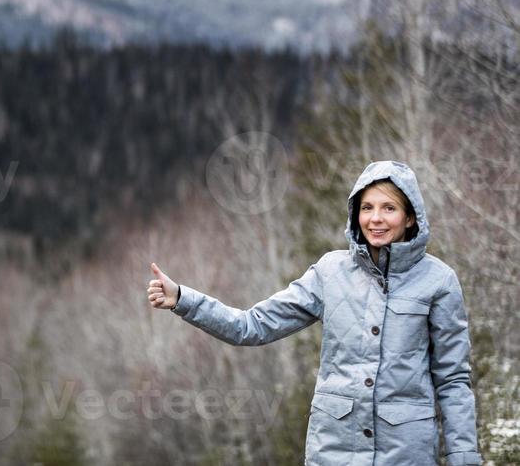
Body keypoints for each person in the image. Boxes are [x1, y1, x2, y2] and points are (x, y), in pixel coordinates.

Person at [147, 159, 481, 464]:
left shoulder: (439, 281)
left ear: (410, 217)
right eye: (367, 208)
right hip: (333, 451)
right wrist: (183, 299)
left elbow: (452, 380)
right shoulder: (329, 272)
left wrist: (463, 457)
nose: (375, 218)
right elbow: (251, 326)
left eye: (388, 208)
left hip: (407, 454)